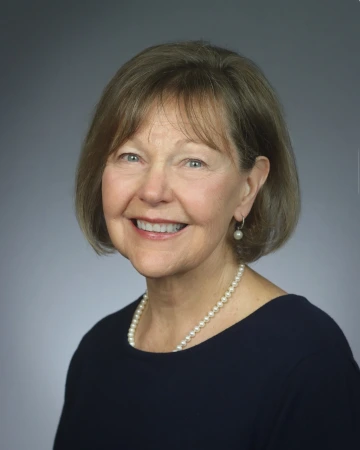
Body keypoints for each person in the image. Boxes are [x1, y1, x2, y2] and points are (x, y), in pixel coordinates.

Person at [53, 40, 360, 449]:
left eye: (192, 162)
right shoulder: (98, 350)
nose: (153, 191)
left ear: (248, 188)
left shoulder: (307, 359)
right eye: (131, 156)